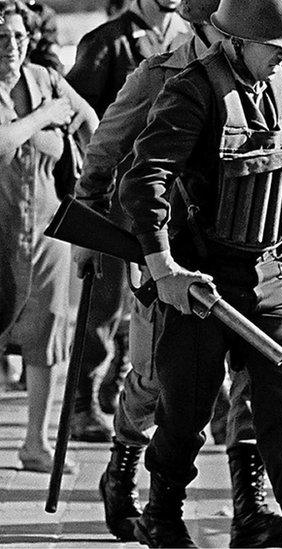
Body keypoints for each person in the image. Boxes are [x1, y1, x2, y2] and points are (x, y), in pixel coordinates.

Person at [117, 0, 282, 546]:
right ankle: (161, 516)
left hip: (267, 275)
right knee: (185, 410)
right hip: (203, 283)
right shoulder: (192, 89)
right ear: (236, 41)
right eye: (274, 48)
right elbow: (145, 179)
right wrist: (164, 267)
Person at [73, 0, 282, 544]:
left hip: (244, 257)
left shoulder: (265, 72)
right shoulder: (161, 74)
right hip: (167, 252)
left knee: (248, 379)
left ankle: (251, 508)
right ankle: (121, 473)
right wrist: (86, 226)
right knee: (152, 381)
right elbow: (107, 150)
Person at [65, 0, 189, 443]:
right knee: (103, 305)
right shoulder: (106, 43)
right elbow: (76, 117)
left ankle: (123, 399)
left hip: (170, 198)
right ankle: (83, 402)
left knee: (156, 307)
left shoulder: (193, 37)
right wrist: (89, 197)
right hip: (117, 198)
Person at [0, 0, 97, 473]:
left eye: (18, 37)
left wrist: (93, 188)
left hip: (47, 228)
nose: (11, 47)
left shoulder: (45, 79)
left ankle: (35, 443)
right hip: (0, 233)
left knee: (47, 337)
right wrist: (43, 119)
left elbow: (93, 123)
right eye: (1, 39)